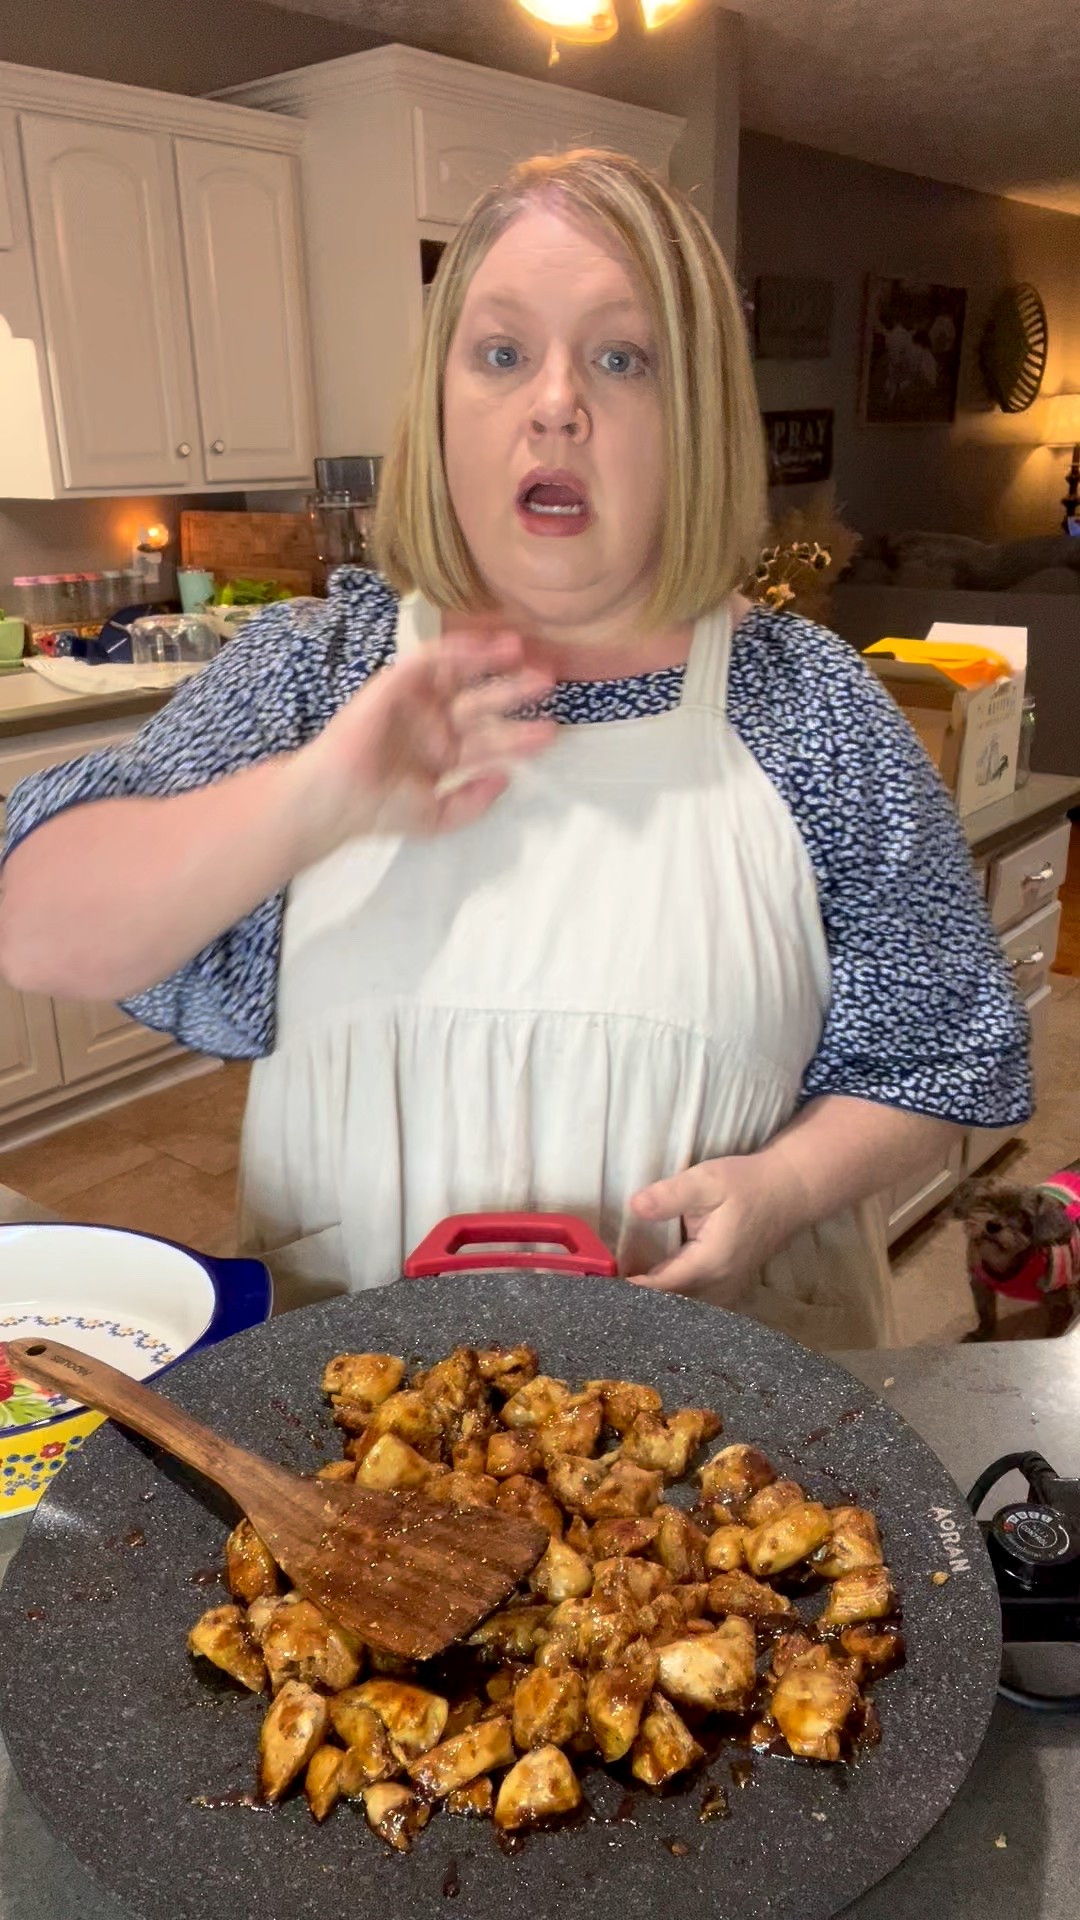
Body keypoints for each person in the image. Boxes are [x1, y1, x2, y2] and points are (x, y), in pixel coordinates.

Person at [0, 151, 1029, 1348]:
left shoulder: (813, 711)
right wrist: (316, 796)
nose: (555, 403)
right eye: (500, 353)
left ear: (695, 416)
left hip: (733, 1400)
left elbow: (941, 1057)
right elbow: (36, 926)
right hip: (354, 1399)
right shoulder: (315, 674)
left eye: (621, 357)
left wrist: (785, 1189)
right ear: (440, 403)